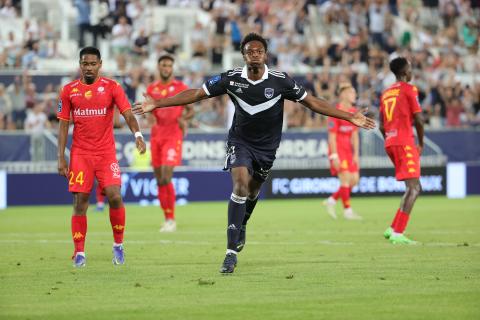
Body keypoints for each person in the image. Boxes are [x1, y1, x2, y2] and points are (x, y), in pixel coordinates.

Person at [133, 33, 375, 274]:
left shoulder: (281, 81)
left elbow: (312, 102)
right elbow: (196, 93)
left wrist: (349, 115)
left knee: (253, 191)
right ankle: (230, 253)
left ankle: (242, 223)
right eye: (250, 52)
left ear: (265, 54)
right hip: (240, 142)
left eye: (259, 51)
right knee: (240, 185)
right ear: (244, 55)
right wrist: (158, 103)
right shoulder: (231, 78)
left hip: (267, 148)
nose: (255, 55)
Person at [57, 46, 146, 267]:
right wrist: (61, 156)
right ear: (80, 65)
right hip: (80, 154)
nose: (88, 67)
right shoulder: (69, 90)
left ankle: (118, 246)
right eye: (85, 63)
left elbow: (127, 112)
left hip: (106, 153)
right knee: (81, 202)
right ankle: (79, 253)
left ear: (100, 64)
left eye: (92, 63)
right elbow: (63, 125)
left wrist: (138, 135)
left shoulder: (112, 87)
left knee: (115, 195)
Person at [379, 57, 424, 245]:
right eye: (411, 68)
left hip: (390, 141)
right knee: (414, 188)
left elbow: (381, 126)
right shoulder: (409, 89)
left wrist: (391, 139)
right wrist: (420, 142)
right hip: (405, 141)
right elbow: (419, 119)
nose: (412, 71)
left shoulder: (386, 93)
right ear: (405, 72)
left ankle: (393, 228)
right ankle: (399, 232)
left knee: (411, 187)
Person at [146, 53, 193, 232]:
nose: (166, 68)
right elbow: (150, 111)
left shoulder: (181, 87)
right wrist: (148, 115)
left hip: (173, 135)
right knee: (159, 180)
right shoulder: (152, 89)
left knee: (166, 175)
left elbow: (191, 110)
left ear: (172, 68)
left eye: (169, 65)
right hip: (157, 136)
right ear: (159, 68)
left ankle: (171, 219)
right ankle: (167, 217)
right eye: (163, 65)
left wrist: (184, 118)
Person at [323, 83, 362, 220]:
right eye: (352, 92)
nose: (355, 95)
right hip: (338, 149)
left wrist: (356, 154)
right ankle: (347, 211)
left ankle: (332, 200)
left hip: (349, 150)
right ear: (344, 94)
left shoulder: (354, 112)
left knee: (354, 180)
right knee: (345, 178)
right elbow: (332, 137)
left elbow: (355, 135)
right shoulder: (335, 112)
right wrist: (334, 156)